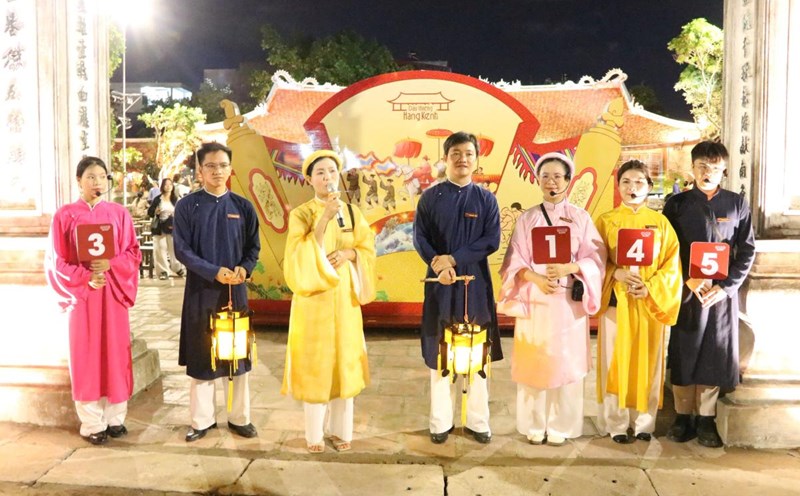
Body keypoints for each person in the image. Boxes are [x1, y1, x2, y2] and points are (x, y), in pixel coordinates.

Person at [496, 152, 605, 446]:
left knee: (565, 361)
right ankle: (534, 422)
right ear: (537, 180)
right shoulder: (527, 218)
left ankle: (562, 424)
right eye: (545, 176)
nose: (551, 182)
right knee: (536, 359)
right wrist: (536, 278)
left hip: (567, 302)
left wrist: (572, 267)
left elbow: (596, 259)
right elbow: (513, 262)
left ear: (568, 181)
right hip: (537, 299)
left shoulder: (581, 218)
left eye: (558, 176)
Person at [281, 150, 376, 453]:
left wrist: (350, 254)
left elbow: (366, 247)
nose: (327, 178)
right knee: (317, 363)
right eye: (320, 172)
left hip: (344, 299)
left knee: (344, 361)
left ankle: (341, 430)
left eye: (332, 172)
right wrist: (323, 217)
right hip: (314, 301)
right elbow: (298, 255)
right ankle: (314, 435)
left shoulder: (351, 213)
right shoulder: (301, 214)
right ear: (309, 178)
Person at [662, 141, 755, 448]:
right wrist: (686, 280)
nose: (708, 173)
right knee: (684, 351)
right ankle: (682, 416)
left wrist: (727, 288)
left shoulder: (736, 203)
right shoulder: (676, 204)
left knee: (713, 355)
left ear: (724, 170)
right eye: (702, 166)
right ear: (692, 168)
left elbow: (747, 250)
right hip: (688, 293)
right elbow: (665, 250)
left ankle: (706, 419)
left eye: (715, 168)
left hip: (719, 295)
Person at [413, 131, 503, 445]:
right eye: (456, 154)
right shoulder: (430, 197)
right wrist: (438, 262)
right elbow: (419, 237)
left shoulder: (487, 199)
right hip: (439, 284)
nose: (462, 159)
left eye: (468, 153)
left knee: (476, 351)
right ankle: (440, 422)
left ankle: (478, 421)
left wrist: (455, 258)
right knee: (441, 351)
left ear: (476, 159)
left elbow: (491, 240)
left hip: (475, 285)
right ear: (446, 158)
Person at [46, 156, 141, 445]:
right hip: (84, 297)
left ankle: (115, 418)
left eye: (102, 177)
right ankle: (91, 423)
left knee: (115, 353)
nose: (97, 182)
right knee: (86, 356)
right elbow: (56, 260)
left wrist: (111, 264)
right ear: (78, 181)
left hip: (111, 295)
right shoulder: (65, 215)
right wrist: (85, 278)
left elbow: (133, 253)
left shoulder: (119, 213)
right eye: (90, 177)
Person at [173, 142, 261, 442]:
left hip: (235, 294)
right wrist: (213, 271)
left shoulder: (243, 207)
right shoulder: (187, 207)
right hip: (201, 294)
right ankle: (201, 421)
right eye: (210, 166)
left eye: (223, 165)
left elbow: (253, 248)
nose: (217, 171)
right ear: (200, 170)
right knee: (202, 356)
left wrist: (244, 269)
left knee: (236, 358)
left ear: (230, 168)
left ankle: (240, 418)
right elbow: (182, 250)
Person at [594, 160, 682, 443]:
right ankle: (616, 423)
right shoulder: (606, 221)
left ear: (649, 186)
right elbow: (593, 262)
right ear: (618, 186)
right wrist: (615, 272)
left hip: (648, 302)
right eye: (626, 182)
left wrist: (651, 287)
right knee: (615, 361)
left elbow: (671, 266)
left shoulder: (661, 223)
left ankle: (644, 423)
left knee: (649, 361)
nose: (632, 188)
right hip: (616, 303)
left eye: (639, 183)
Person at [147, 178, 185, 280]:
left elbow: (183, 213)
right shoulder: (158, 199)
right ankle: (163, 271)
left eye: (170, 184)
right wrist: (156, 212)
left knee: (174, 248)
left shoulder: (177, 199)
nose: (168, 186)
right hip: (159, 227)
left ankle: (177, 267)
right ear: (162, 186)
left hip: (173, 227)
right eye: (166, 185)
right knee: (160, 249)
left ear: (173, 186)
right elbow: (150, 212)